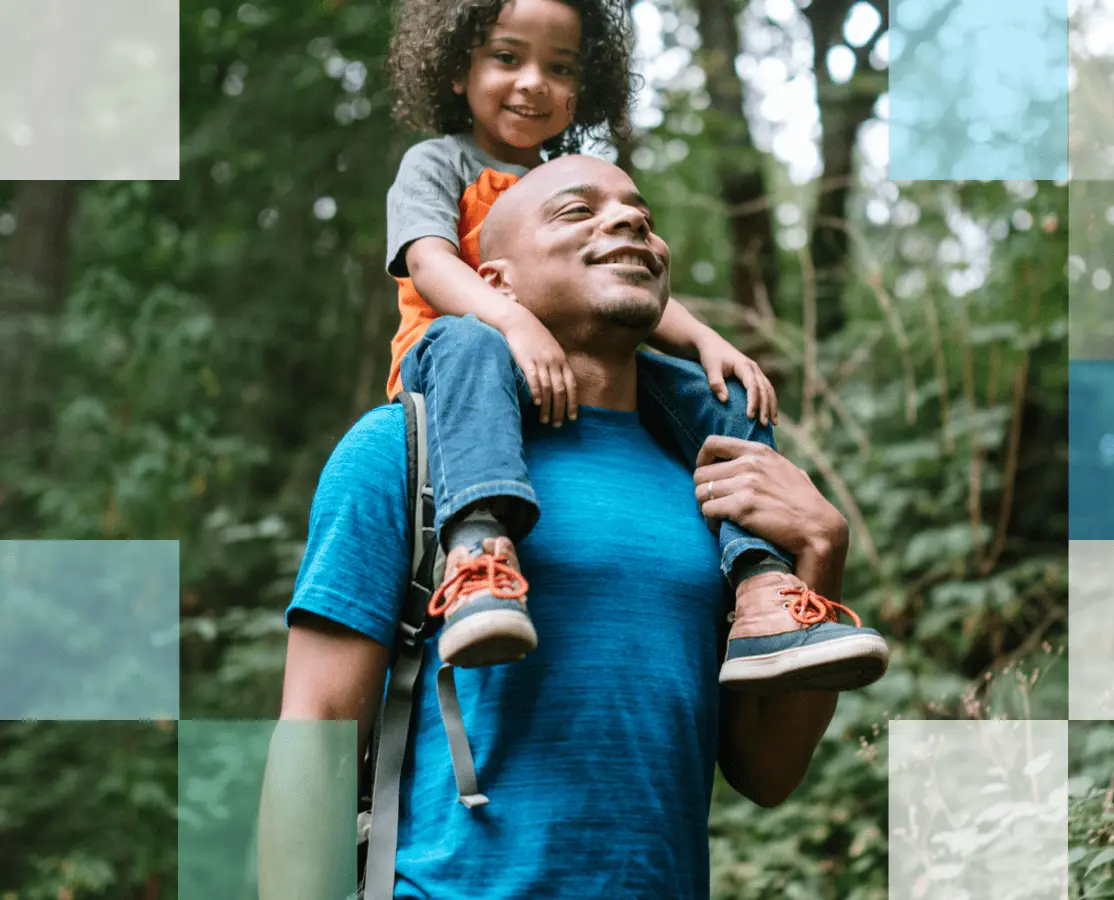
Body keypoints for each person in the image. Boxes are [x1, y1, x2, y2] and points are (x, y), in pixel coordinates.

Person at [262, 156, 880, 899]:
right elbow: (318, 730)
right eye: (577, 211)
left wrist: (820, 551)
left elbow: (767, 774)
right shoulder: (400, 452)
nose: (629, 221)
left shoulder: (723, 475)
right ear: (496, 284)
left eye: (641, 215)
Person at [380, 0, 885, 688]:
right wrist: (513, 320)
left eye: (559, 68)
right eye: (506, 58)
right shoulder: (438, 162)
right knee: (473, 340)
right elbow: (430, 263)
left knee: (723, 393)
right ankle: (476, 554)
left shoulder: (574, 175)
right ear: (456, 72)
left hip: (573, 365)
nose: (533, 82)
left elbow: (628, 286)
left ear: (582, 89)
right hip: (452, 364)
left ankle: (762, 586)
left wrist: (708, 342)